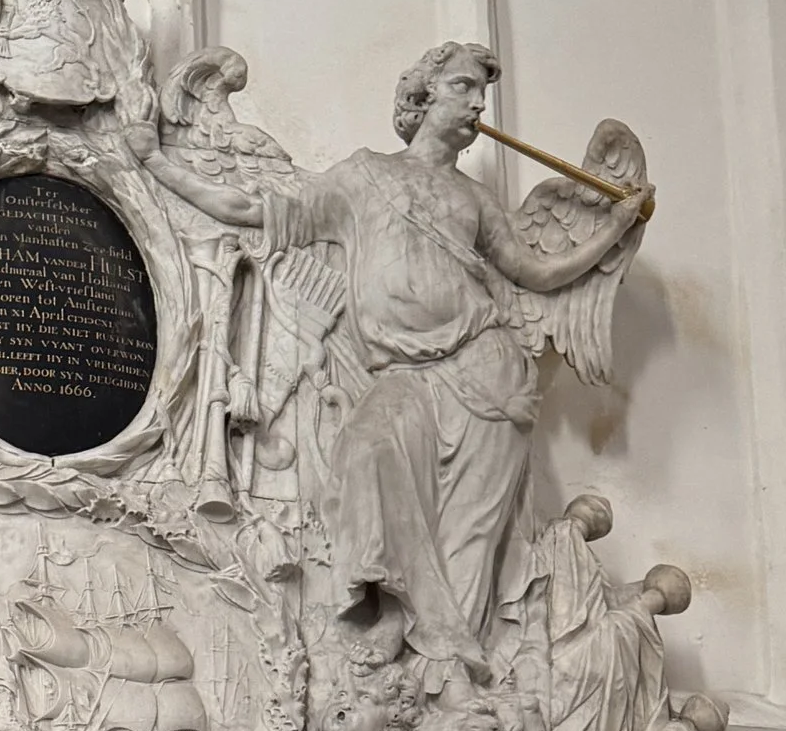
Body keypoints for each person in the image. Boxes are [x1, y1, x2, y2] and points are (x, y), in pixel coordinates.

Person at [156, 42, 649, 678]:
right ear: (422, 95)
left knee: (469, 534)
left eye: (482, 94)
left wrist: (614, 228)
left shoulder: (475, 200)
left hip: (489, 368)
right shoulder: (363, 178)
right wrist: (156, 164)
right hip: (404, 373)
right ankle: (392, 610)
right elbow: (250, 209)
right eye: (463, 87)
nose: (476, 104)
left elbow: (537, 272)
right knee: (367, 448)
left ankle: (451, 672)